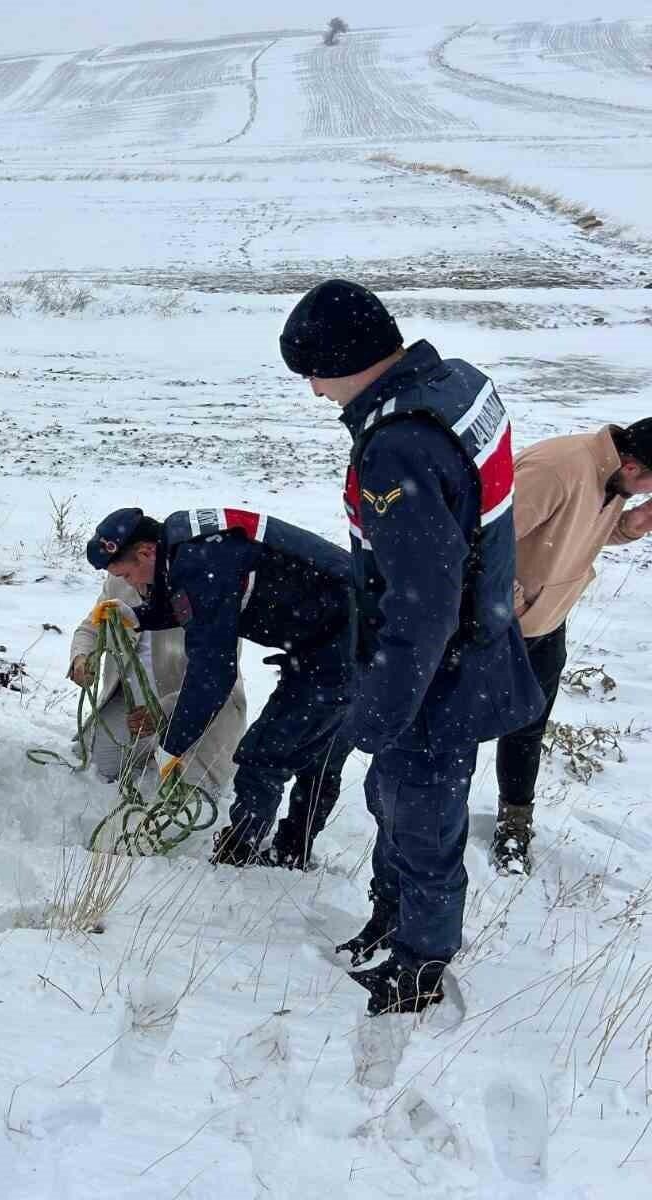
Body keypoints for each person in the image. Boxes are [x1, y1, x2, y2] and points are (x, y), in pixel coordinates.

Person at [281, 278, 543, 1016]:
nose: (314, 392)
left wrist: (380, 711)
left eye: (314, 373)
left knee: (423, 818)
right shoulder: (458, 384)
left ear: (344, 360)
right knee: (392, 799)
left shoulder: (396, 447)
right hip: (475, 641)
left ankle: (420, 965)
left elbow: (422, 603)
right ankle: (390, 914)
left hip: (438, 674)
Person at [86, 507, 355, 870]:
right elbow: (192, 601)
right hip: (342, 630)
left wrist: (172, 745)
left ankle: (241, 860)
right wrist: (141, 616)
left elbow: (213, 673)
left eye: (128, 574)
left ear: (147, 552)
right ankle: (290, 853)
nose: (132, 585)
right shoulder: (184, 542)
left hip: (346, 642)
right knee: (314, 749)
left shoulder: (197, 561)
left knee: (266, 756)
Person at [493, 419, 652, 872]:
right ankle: (438, 828)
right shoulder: (558, 468)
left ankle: (514, 823)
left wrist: (634, 525)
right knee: (459, 730)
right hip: (499, 628)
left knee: (528, 726)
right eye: (645, 489)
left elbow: (580, 534)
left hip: (548, 623)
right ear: (634, 464)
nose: (640, 495)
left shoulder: (614, 476)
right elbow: (482, 540)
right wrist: (516, 603)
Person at [67, 555, 246, 799]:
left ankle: (166, 756)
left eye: (127, 574)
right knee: (98, 768)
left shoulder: (206, 588)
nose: (124, 581)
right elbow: (91, 627)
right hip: (131, 704)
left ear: (147, 556)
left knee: (188, 796)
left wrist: (162, 711)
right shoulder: (120, 579)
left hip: (195, 709)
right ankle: (147, 753)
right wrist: (81, 658)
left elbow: (217, 680)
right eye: (119, 575)